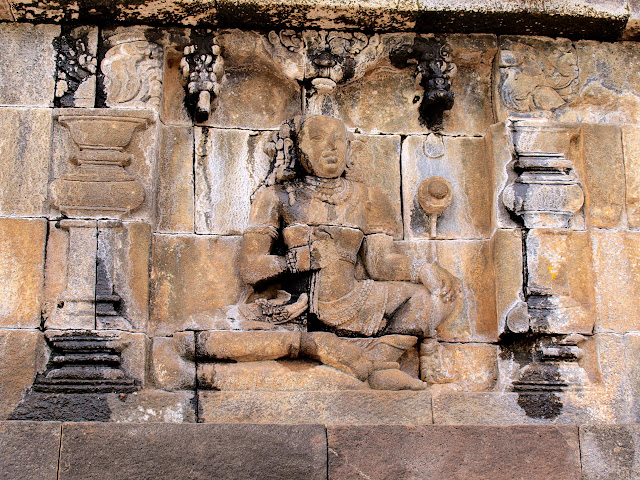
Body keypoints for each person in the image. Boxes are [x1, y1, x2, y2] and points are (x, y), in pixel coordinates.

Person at [241, 114, 460, 338]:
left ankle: (380, 353)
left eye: (339, 139)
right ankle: (368, 355)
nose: (331, 146)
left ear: (349, 148)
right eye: (317, 138)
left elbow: (379, 264)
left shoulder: (369, 198)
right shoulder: (276, 197)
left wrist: (423, 269)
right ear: (295, 147)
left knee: (432, 298)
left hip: (356, 300)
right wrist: (300, 260)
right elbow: (251, 268)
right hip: (299, 304)